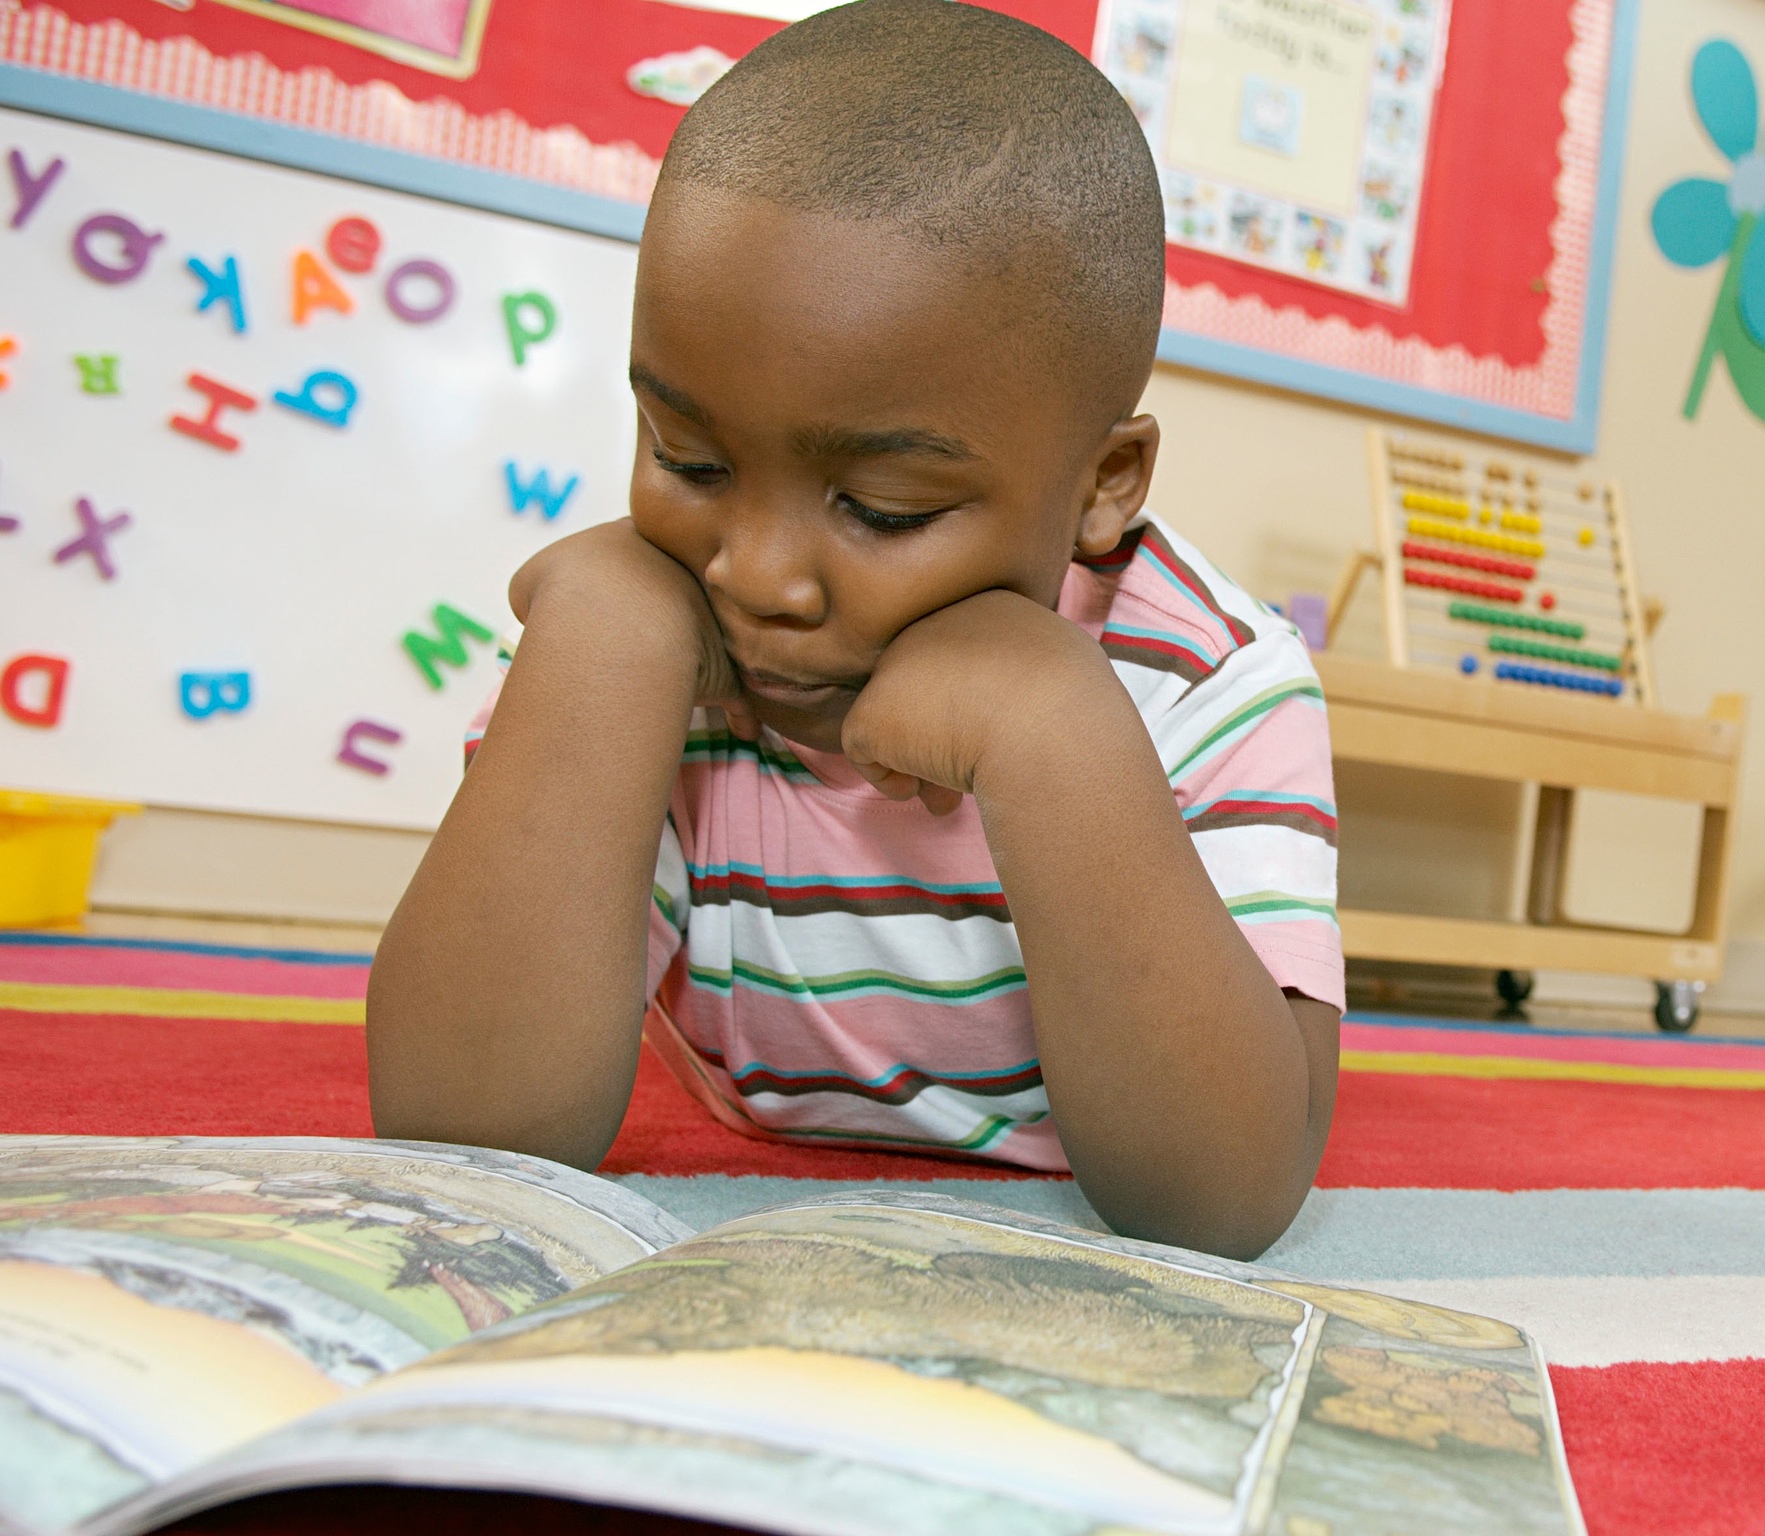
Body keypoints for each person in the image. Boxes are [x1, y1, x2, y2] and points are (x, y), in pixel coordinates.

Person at [366, 0, 1341, 1261]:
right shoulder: (641, 634)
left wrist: (1056, 736)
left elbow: (1224, 1200)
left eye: (884, 508)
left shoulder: (1212, 680)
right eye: (688, 458)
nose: (757, 575)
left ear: (1102, 487)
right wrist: (600, 662)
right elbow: (466, 1134)